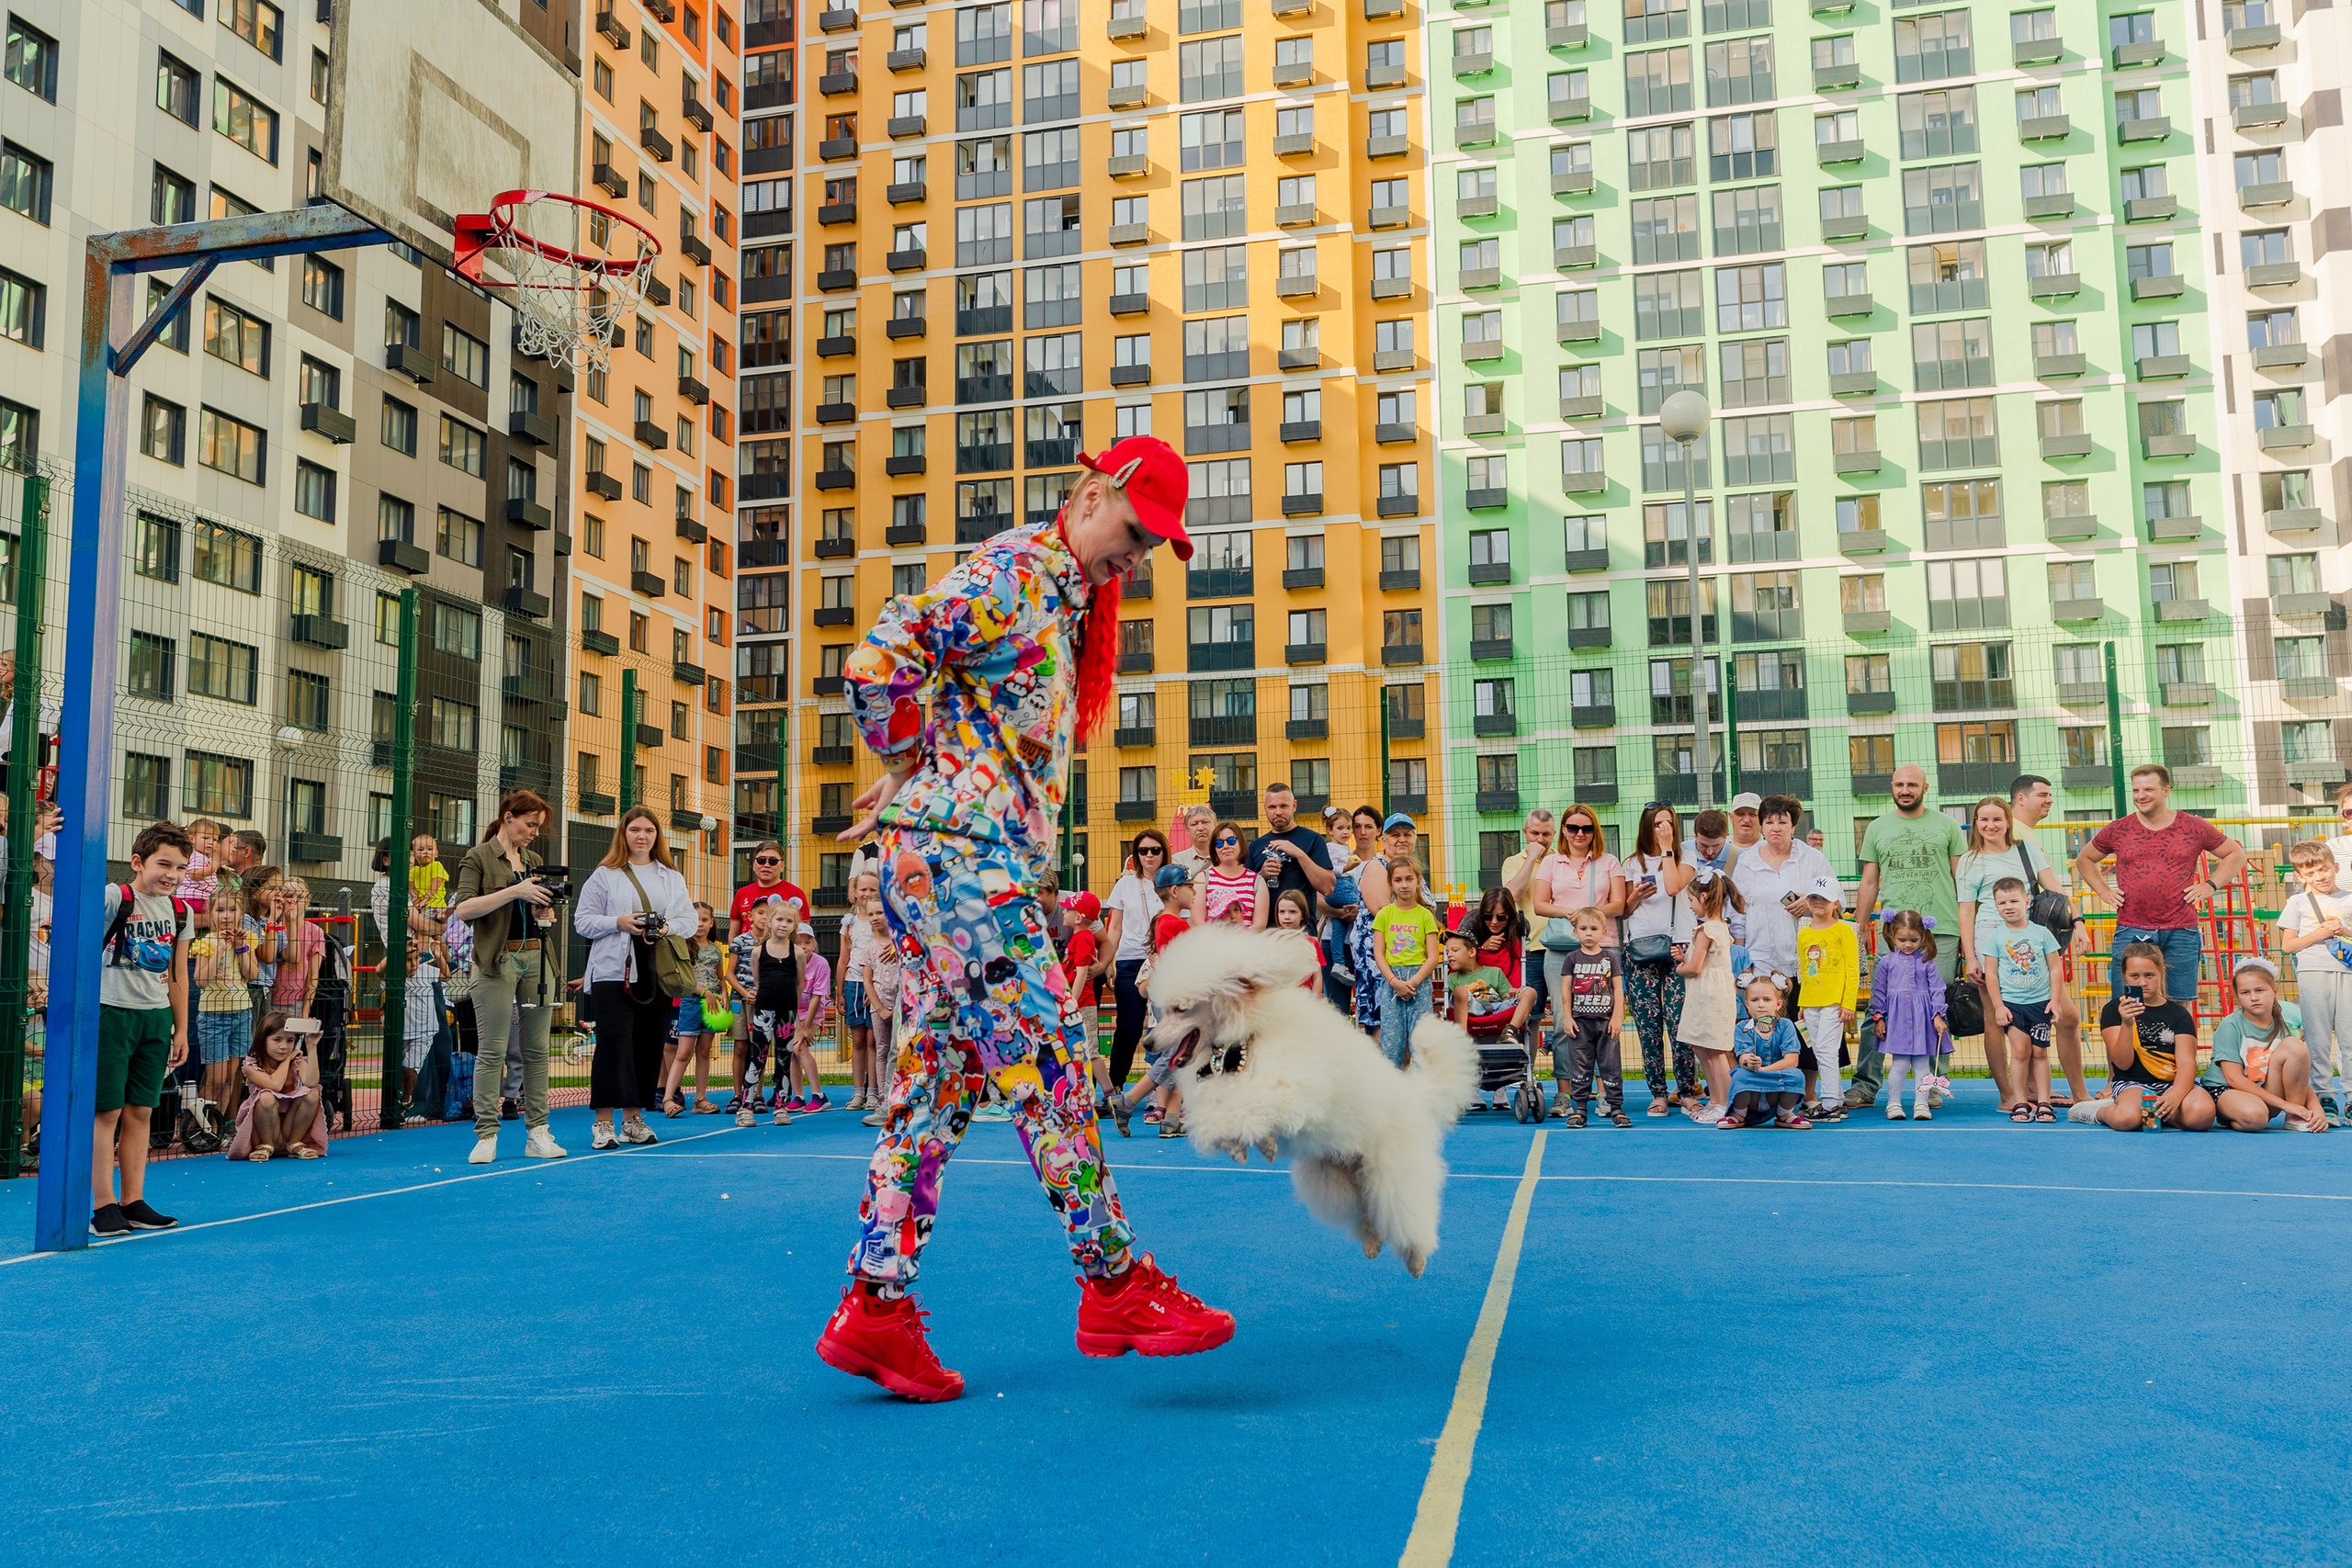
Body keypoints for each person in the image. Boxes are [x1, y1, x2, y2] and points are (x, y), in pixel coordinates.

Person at [816, 434, 1232, 1402]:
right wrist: (913, 765)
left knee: (934, 1086)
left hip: (963, 861)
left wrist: (932, 778)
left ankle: (876, 1307)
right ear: (1091, 495)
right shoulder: (1014, 574)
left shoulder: (1066, 598)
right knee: (1051, 1061)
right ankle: (1112, 1280)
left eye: (1151, 547)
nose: (1136, 555)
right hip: (960, 862)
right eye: (1134, 532)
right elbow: (880, 659)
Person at [450, 790, 568, 1165]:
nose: (535, 832)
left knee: (536, 1051)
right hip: (496, 961)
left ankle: (538, 1132)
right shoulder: (478, 856)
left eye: (538, 826)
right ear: (508, 818)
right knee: (493, 1049)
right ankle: (486, 1134)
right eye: (530, 824)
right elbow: (464, 909)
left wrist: (544, 916)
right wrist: (515, 889)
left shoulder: (532, 859)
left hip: (536, 955)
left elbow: (532, 910)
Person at [92, 821, 195, 1235]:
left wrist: (181, 1028)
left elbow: (178, 975)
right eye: (163, 864)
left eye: (181, 867)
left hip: (156, 1017)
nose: (172, 874)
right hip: (112, 1011)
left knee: (140, 1110)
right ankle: (103, 1205)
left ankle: (133, 1199)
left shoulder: (181, 910)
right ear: (139, 862)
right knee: (107, 1110)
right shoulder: (115, 897)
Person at [2072, 764, 2245, 1008]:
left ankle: (2179, 1047)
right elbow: (2085, 859)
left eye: (2148, 789)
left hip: (2181, 928)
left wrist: (2210, 885)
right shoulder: (2119, 829)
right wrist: (2103, 890)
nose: (2140, 796)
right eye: (2136, 790)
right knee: (2128, 1003)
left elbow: (2235, 854)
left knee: (2179, 1003)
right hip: (2132, 927)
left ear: (2166, 791)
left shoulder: (2193, 826)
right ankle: (2130, 1048)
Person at [575, 807, 696, 1150]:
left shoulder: (671, 876)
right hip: (614, 971)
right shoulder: (605, 875)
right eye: (635, 830)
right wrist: (620, 922)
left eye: (649, 830)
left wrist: (666, 928)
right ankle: (602, 1123)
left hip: (656, 970)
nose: (642, 836)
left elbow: (687, 919)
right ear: (623, 834)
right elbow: (582, 921)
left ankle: (633, 1119)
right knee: (613, 1044)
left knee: (647, 1044)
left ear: (657, 836)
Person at [1849, 765, 1967, 1110]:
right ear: (1892, 787)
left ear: (1925, 788)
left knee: (1934, 1007)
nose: (1905, 789)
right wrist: (1859, 929)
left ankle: (1929, 1085)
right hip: (1892, 932)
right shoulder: (1877, 828)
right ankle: (1865, 1086)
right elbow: (1869, 882)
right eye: (1899, 784)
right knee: (1878, 1008)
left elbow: (1962, 880)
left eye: (1912, 784)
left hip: (1940, 930)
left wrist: (1967, 930)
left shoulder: (1946, 826)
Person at [2006, 775, 2094, 1104]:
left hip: (2030, 940)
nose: (2049, 800)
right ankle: (2070, 1092)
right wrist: (2078, 920)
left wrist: (2077, 920)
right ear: (2020, 799)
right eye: (2042, 795)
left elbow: (2049, 886)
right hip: (2018, 943)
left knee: (2041, 1020)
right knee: (2058, 1018)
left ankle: (2033, 1090)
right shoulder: (2014, 833)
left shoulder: (2025, 835)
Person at [1530, 802, 1624, 1082]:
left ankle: (1606, 1089)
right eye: (1573, 827)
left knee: (1603, 1021)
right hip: (1562, 949)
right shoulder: (1551, 861)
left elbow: (1618, 904)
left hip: (1604, 947)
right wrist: (1570, 914)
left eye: (1586, 828)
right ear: (1564, 830)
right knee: (1563, 1020)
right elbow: (1539, 904)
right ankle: (1564, 1090)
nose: (1579, 833)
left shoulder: (1609, 862)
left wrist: (1590, 917)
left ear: (1595, 831)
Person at [1620, 802, 1695, 1115]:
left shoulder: (1685, 857)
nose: (1663, 829)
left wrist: (1667, 851)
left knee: (1680, 1022)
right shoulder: (1631, 863)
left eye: (1668, 824)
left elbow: (1675, 885)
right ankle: (1658, 1092)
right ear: (1646, 827)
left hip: (1677, 947)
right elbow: (1622, 910)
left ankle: (1687, 1090)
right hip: (1639, 949)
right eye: (1657, 824)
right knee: (1648, 1025)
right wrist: (1635, 896)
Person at [2093, 942, 2214, 1131]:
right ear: (2125, 976)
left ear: (2162, 972)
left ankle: (2158, 1114)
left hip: (2171, 1082)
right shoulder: (2114, 1009)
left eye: (2149, 975)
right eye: (2134, 976)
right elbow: (2122, 1064)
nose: (2142, 982)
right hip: (2132, 1083)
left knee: (2202, 1115)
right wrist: (2127, 1024)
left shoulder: (2179, 1014)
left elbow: (2187, 1062)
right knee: (2127, 1119)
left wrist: (2176, 1094)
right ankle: (2099, 1113)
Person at [2200, 959, 2327, 1134]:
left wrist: (2316, 1108)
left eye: (2260, 990)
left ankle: (2297, 1117)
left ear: (2275, 991)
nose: (2254, 997)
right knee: (2255, 1117)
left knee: (2295, 1046)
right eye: (2245, 992)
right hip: (2227, 1089)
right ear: (2238, 996)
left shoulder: (2284, 1027)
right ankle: (2233, 1114)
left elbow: (2299, 1079)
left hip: (2263, 1091)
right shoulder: (2231, 1025)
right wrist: (2284, 1104)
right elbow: (2233, 1079)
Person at [2277, 840, 2352, 1123]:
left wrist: (2344, 930)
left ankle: (2351, 1097)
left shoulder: (2349, 898)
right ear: (2300, 876)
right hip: (2312, 973)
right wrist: (2319, 934)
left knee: (2349, 1037)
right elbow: (2288, 945)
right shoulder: (2297, 902)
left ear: (2336, 867)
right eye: (2310, 873)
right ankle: (2325, 1097)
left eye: (2323, 869)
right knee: (2318, 1038)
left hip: (2348, 972)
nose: (2319, 877)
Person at [1981, 878, 2065, 1124]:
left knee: (2039, 1053)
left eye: (2014, 900)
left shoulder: (2042, 934)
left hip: (2040, 1004)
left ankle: (2044, 1103)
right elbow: (1992, 974)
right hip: (2013, 1006)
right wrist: (1998, 1006)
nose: (2009, 906)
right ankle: (2019, 1101)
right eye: (2002, 902)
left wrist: (2056, 1001)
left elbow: (2055, 969)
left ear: (2027, 901)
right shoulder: (1995, 938)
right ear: (1995, 906)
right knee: (2020, 1051)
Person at [1103, 827, 1170, 1104]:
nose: (1150, 855)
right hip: (1130, 959)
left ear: (1164, 852)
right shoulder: (1125, 884)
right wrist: (1108, 960)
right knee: (1128, 1026)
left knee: (1165, 1026)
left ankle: (1160, 1091)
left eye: (1155, 850)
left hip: (1165, 962)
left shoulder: (1173, 882)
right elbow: (1115, 926)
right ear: (1136, 854)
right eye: (1144, 851)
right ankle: (1116, 1085)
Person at [1675, 867, 1744, 1124]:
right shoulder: (1719, 928)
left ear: (1704, 897)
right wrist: (1686, 958)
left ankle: (1725, 1103)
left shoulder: (1705, 930)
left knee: (1715, 1051)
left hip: (1709, 995)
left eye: (1692, 900)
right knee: (1702, 1047)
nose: (1691, 906)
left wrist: (1681, 966)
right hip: (1709, 994)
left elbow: (1694, 968)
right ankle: (1715, 1100)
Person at [1870, 910, 1949, 1121]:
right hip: (1897, 1021)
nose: (1907, 944)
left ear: (1923, 937)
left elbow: (1937, 991)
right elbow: (1879, 991)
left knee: (1923, 1063)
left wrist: (1938, 1016)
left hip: (1923, 1020)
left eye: (1913, 940)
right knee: (1900, 1063)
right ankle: (1893, 1104)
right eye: (1901, 940)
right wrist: (1878, 1017)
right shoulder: (1886, 963)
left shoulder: (1928, 963)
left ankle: (1921, 1104)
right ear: (1892, 937)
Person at [1793, 875, 1858, 1122]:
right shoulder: (1804, 933)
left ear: (1836, 903)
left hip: (1834, 1002)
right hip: (1810, 1003)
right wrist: (1801, 1004)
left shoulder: (1844, 930)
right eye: (1813, 897)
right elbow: (1803, 970)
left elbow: (1852, 969)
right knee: (1820, 1051)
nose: (1818, 902)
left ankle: (1829, 1103)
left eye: (1824, 898)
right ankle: (1837, 1101)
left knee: (1827, 1052)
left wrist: (1848, 1003)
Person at [1370, 853, 1443, 1069]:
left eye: (1409, 879)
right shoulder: (1384, 915)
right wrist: (1394, 982)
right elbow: (1379, 954)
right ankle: (1392, 1095)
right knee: (1392, 1045)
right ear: (1390, 884)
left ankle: (1422, 1095)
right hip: (1392, 983)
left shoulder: (1425, 915)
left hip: (1418, 984)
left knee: (1420, 1044)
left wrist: (1413, 982)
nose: (1404, 885)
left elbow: (1432, 957)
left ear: (1418, 881)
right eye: (1398, 880)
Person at [1555, 909, 1628, 1127]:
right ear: (1575, 932)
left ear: (1604, 933)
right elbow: (1566, 991)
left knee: (1611, 1066)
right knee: (1580, 1067)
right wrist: (1567, 1018)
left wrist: (1617, 1017)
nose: (1589, 934)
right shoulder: (1571, 958)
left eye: (1594, 929)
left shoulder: (1610, 958)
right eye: (1584, 929)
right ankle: (1579, 1110)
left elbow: (1618, 990)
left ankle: (1616, 1107)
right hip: (1580, 1023)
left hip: (1606, 1023)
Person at [226, 1012, 326, 1161]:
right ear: (263, 1040)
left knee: (312, 1093)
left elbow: (311, 1082)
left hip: (288, 1126)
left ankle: (294, 1143)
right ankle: (265, 1145)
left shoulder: (297, 1060)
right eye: (277, 1039)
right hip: (262, 1129)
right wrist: (288, 1060)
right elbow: (275, 1085)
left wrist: (311, 1046)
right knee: (266, 1096)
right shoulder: (251, 1065)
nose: (284, 1046)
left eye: (290, 1040)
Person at [1721, 973, 1810, 1129]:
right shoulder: (1742, 1028)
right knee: (1741, 1074)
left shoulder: (1786, 1025)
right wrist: (1750, 1063)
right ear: (1747, 1005)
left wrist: (1763, 1070)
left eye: (1767, 1000)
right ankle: (1738, 1114)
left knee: (1797, 1076)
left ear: (1778, 1004)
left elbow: (1792, 1061)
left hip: (1777, 1086)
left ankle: (1785, 1114)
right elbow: (1744, 1058)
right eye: (1755, 1000)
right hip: (1752, 1088)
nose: (1761, 1005)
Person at [664, 903, 727, 1116]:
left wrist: (723, 997)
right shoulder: (683, 946)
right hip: (691, 1003)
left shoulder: (716, 949)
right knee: (683, 1053)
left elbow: (720, 978)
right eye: (696, 919)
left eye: (705, 920)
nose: (700, 924)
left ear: (712, 923)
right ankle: (667, 1098)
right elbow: (684, 979)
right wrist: (705, 993)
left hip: (712, 1006)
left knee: (704, 1052)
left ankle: (700, 1099)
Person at [836, 869, 883, 1112]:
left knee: (874, 1039)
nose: (866, 893)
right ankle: (858, 1092)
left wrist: (874, 987)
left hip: (877, 986)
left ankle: (874, 1091)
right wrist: (840, 991)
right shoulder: (849, 923)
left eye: (872, 889)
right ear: (854, 893)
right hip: (853, 984)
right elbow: (843, 960)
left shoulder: (882, 920)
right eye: (862, 889)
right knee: (857, 1040)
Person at [1247, 782, 1339, 906]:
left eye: (1283, 806)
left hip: (1302, 924)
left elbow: (1327, 888)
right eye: (1272, 807)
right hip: (1266, 924)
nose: (1278, 812)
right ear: (1265, 809)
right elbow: (1243, 892)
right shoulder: (1255, 845)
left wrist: (1299, 854)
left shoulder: (1313, 840)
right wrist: (1261, 875)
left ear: (1294, 806)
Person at [863, 897, 906, 1128]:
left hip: (927, 989)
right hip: (904, 995)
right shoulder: (878, 945)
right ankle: (888, 1104)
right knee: (893, 1049)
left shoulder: (901, 937)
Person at [729, 899, 775, 1121]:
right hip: (740, 999)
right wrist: (744, 992)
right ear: (750, 916)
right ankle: (738, 1094)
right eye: (760, 913)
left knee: (759, 1047)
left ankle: (757, 1093)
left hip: (763, 1001)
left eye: (769, 914)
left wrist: (762, 992)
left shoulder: (773, 943)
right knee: (740, 1046)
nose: (764, 917)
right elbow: (729, 973)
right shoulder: (739, 941)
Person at [787, 923, 835, 1114]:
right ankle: (798, 1096)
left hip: (812, 1013)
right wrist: (798, 1026)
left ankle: (819, 1095)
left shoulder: (821, 964)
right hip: (792, 1012)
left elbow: (817, 997)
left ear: (813, 944)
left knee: (800, 1047)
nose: (804, 946)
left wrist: (806, 1028)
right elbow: (789, 997)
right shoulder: (788, 962)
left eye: (807, 942)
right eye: (799, 942)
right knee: (793, 1051)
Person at [729, 840, 810, 940]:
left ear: (782, 866)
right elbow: (734, 933)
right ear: (754, 865)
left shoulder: (795, 894)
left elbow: (804, 934)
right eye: (761, 860)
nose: (766, 865)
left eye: (773, 861)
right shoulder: (741, 893)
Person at [1199, 818, 1259, 925]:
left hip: (1248, 940)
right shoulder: (1202, 879)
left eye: (1231, 841)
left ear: (1241, 843)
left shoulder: (1257, 881)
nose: (1225, 846)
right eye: (1219, 843)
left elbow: (1259, 925)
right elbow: (1198, 923)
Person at [1170, 804, 1216, 883]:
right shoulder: (1177, 861)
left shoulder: (1226, 857)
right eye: (1194, 824)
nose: (1200, 828)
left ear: (1215, 825)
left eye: (1205, 822)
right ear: (1187, 830)